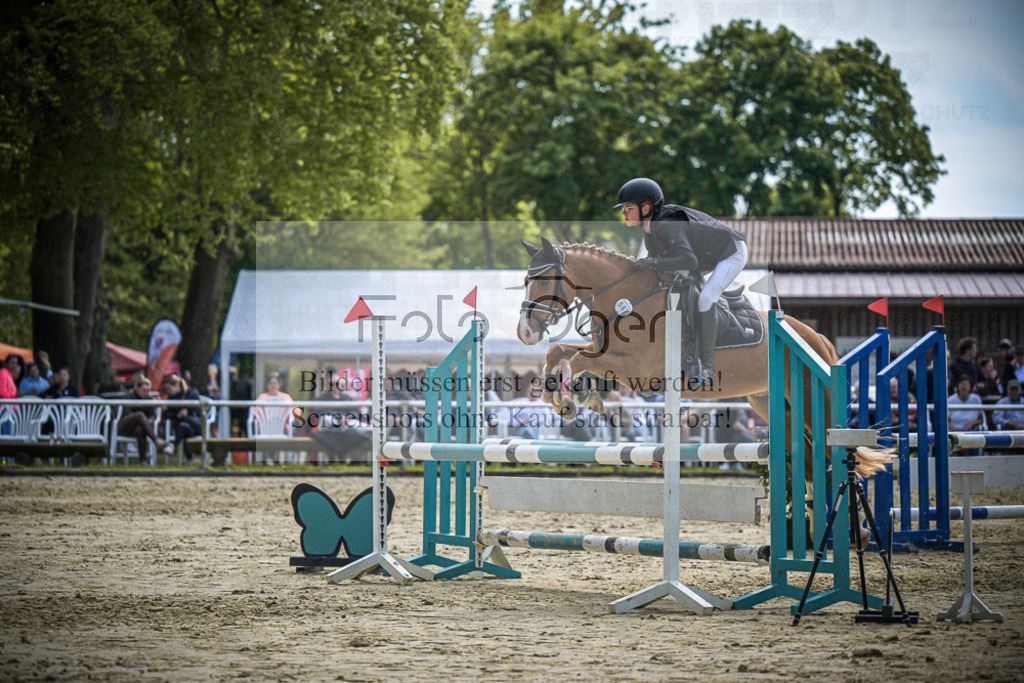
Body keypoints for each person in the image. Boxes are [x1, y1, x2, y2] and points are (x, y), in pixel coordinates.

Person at [615, 177, 747, 384]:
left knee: (706, 298)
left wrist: (653, 262)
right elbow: (659, 266)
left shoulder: (666, 225)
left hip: (730, 252)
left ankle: (707, 367)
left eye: (628, 208)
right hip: (705, 256)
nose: (624, 213)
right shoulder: (650, 231)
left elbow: (689, 261)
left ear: (646, 208)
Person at [116, 375, 165, 464]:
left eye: (148, 391)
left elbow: (152, 416)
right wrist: (141, 419)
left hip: (140, 429)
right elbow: (126, 413)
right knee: (139, 415)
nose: (146, 393)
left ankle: (143, 460)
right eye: (144, 390)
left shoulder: (150, 400)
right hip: (125, 426)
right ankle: (155, 439)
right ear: (137, 389)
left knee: (140, 430)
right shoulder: (129, 397)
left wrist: (145, 423)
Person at [161, 373, 203, 462]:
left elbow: (192, 403)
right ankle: (188, 458)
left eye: (169, 388)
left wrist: (183, 410)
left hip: (197, 424)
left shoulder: (191, 392)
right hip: (185, 427)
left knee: (185, 421)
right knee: (184, 426)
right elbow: (166, 414)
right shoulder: (171, 398)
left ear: (176, 385)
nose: (168, 391)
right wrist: (177, 415)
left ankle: (173, 446)